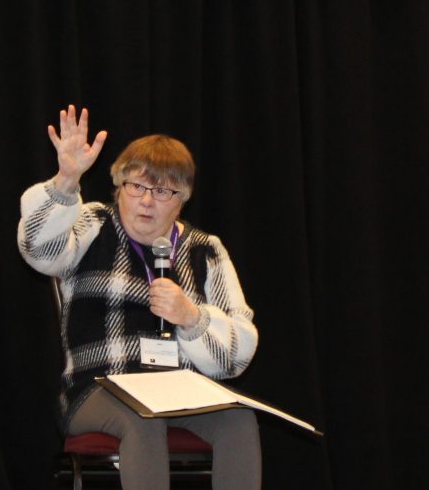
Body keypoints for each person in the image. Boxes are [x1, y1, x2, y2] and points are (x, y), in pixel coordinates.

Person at [17, 105, 261, 490]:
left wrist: (192, 318)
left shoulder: (205, 249)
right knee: (142, 418)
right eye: (136, 186)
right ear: (118, 187)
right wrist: (66, 182)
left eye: (162, 191)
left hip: (177, 390)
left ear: (183, 198)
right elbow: (38, 249)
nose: (147, 201)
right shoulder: (91, 225)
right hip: (98, 387)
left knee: (239, 418)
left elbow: (236, 357)